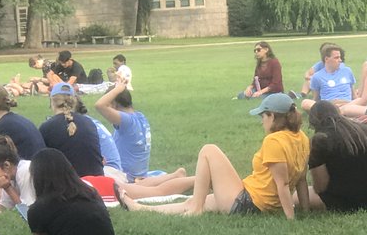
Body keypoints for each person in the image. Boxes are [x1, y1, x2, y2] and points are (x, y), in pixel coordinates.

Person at [121, 92, 310, 218]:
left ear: (273, 116)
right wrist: (305, 210)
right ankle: (141, 208)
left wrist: (290, 220)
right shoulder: (301, 138)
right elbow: (301, 180)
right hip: (256, 200)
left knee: (208, 150)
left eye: (263, 116)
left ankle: (195, 209)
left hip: (250, 203)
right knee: (198, 200)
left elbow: (283, 184)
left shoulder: (274, 141)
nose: (262, 122)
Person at [304, 102, 367, 212]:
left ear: (313, 122)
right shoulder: (366, 131)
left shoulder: (320, 140)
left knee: (298, 196)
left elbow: (320, 186)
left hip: (350, 202)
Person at [95, 78, 153, 180]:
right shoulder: (141, 117)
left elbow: (99, 105)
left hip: (126, 177)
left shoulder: (127, 121)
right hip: (140, 175)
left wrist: (118, 89)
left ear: (113, 103)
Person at [40, 90, 104, 177]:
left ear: (52, 103)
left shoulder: (47, 127)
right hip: (97, 182)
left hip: (70, 186)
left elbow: (39, 163)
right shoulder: (89, 122)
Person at [302, 44, 355, 110]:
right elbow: (316, 99)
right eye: (336, 58)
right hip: (329, 107)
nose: (340, 60)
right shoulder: (317, 76)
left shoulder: (347, 71)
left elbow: (353, 95)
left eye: (340, 57)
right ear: (326, 59)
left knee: (359, 102)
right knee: (305, 103)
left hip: (347, 105)